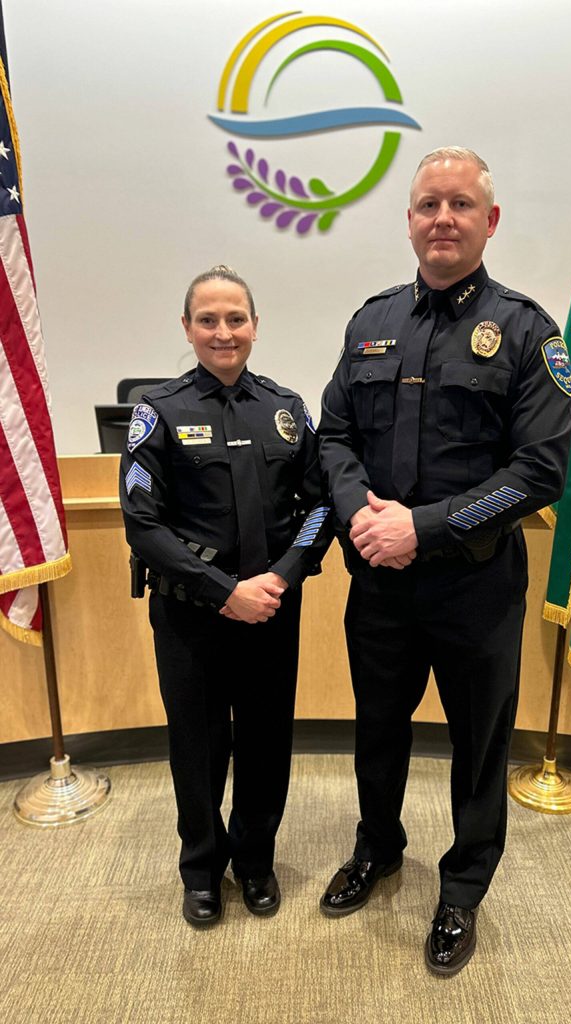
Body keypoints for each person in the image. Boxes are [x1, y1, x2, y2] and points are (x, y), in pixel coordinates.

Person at [317, 148, 571, 975]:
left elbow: (538, 473)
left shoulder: (529, 331)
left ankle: (461, 890)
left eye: (459, 204)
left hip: (475, 587)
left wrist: (420, 528)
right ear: (409, 219)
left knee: (478, 745)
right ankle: (377, 849)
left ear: (487, 221)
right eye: (427, 204)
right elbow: (334, 437)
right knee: (377, 732)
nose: (442, 219)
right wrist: (360, 513)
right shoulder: (370, 320)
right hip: (381, 585)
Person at [120, 266, 331, 927]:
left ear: (255, 326)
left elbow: (322, 505)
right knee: (199, 745)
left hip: (270, 606)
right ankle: (202, 869)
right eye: (207, 320)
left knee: (267, 742)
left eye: (235, 318)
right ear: (186, 328)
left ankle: (256, 862)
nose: (223, 331)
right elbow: (142, 524)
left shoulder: (287, 410)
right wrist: (220, 591)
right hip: (190, 613)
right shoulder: (158, 411)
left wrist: (284, 576)